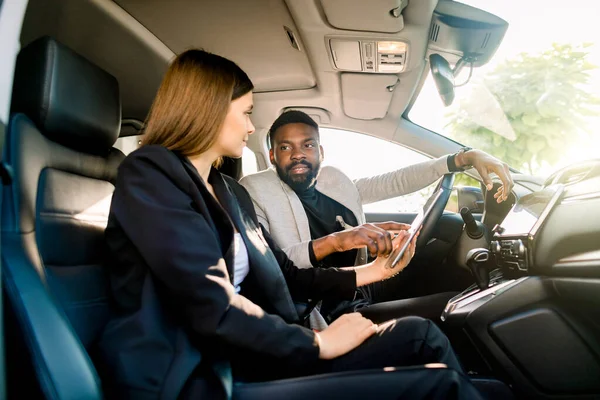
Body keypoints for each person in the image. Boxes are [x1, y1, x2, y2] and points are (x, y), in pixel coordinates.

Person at [98, 49, 486, 399]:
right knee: (443, 386)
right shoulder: (150, 174)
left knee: (420, 335)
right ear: (210, 109)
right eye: (246, 112)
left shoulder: (225, 189)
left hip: (256, 350)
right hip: (199, 377)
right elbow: (209, 304)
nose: (251, 127)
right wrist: (317, 343)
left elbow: (284, 273)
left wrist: (371, 272)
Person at [239, 110, 514, 323]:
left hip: (363, 284)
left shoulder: (333, 180)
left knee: (446, 238)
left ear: (320, 152)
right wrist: (340, 240)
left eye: (308, 145)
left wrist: (460, 159)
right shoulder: (255, 189)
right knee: (453, 305)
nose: (298, 155)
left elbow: (393, 181)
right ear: (273, 156)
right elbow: (275, 265)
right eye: (286, 148)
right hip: (328, 307)